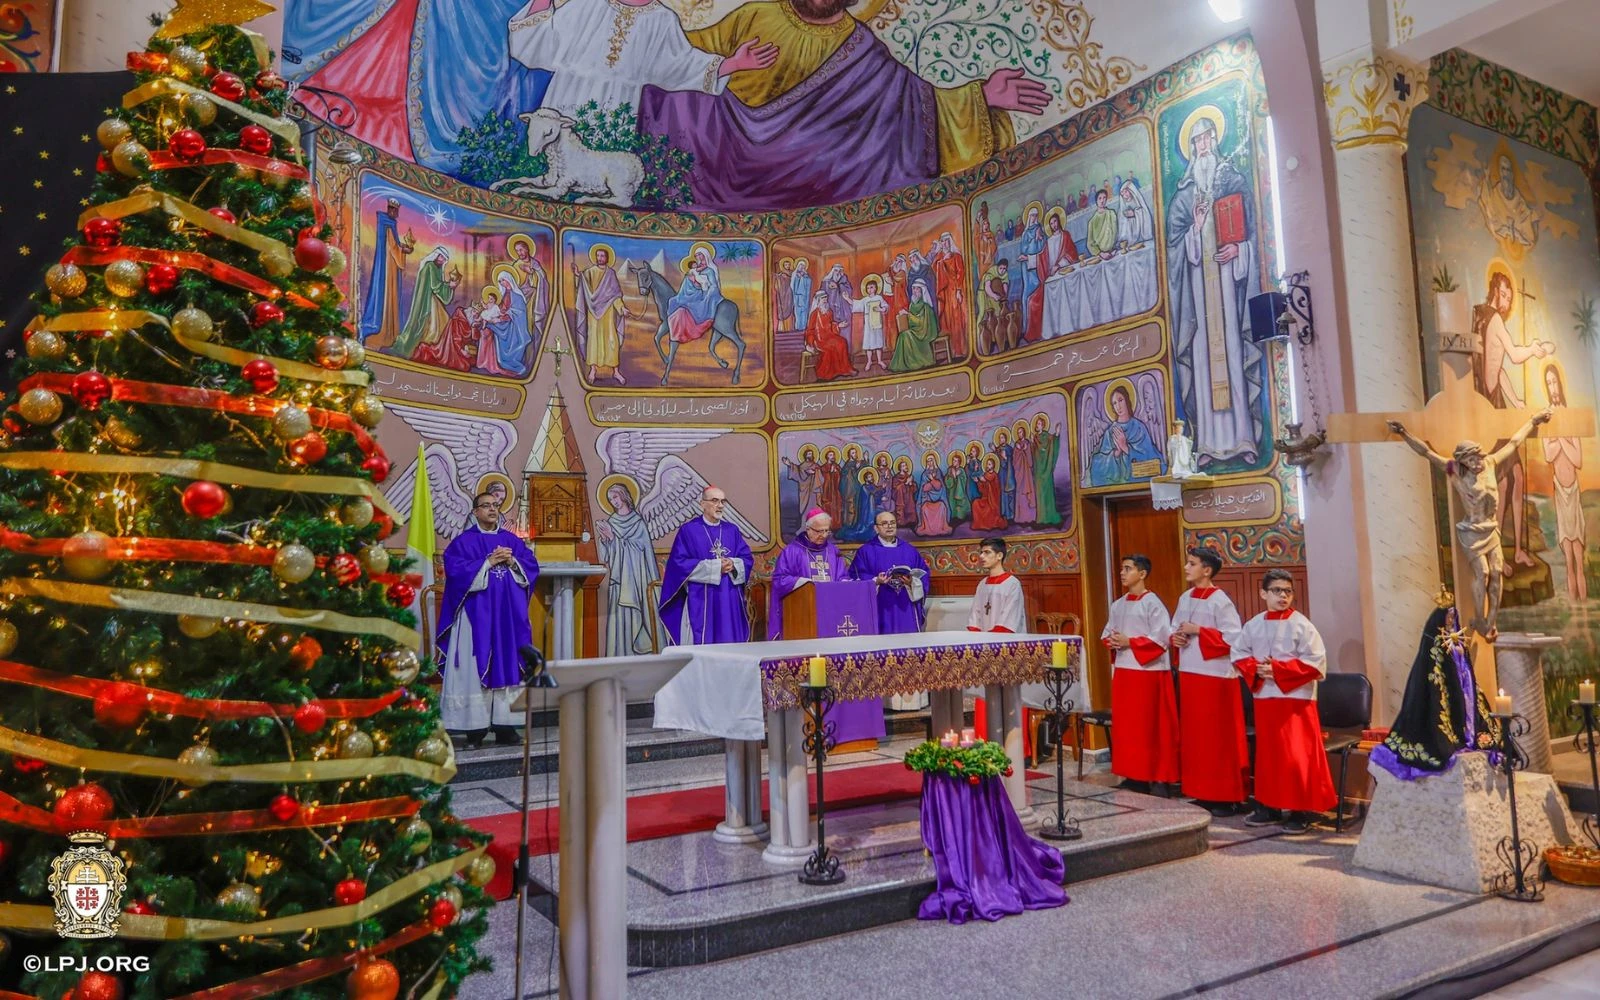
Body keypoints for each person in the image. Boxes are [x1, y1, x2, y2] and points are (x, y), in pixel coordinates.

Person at [637, 0, 1050, 211]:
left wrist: (981, 97)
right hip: (725, 163)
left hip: (821, 185)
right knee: (668, 105)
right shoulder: (754, 15)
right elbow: (683, 59)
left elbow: (917, 111)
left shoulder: (864, 51)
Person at [1388, 408, 1551, 638]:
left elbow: (1514, 443)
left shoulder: (1492, 463)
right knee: (1483, 573)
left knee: (1497, 571)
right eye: (1471, 460)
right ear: (1462, 461)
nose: (1476, 463)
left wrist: (1533, 422)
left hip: (1490, 529)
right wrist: (1405, 433)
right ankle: (1479, 617)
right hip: (1472, 531)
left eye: (1477, 457)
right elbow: (1426, 452)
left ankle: (1491, 622)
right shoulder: (1454, 470)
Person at [1166, 113, 1261, 468]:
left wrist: (1240, 251)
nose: (1202, 145)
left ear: (1215, 140)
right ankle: (1206, 443)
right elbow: (1176, 248)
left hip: (1225, 287)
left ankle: (1243, 438)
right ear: (1190, 148)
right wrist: (1197, 227)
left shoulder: (1232, 179)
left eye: (1207, 138)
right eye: (1196, 141)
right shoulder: (1184, 196)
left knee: (1233, 355)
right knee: (1205, 361)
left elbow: (1250, 234)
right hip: (1199, 294)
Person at [506, 0, 777, 123]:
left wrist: (734, 64)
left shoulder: (661, 19)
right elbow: (540, 45)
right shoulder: (587, 4)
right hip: (565, 99)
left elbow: (679, 66)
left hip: (616, 110)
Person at [1233, 570, 1337, 834]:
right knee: (1269, 757)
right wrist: (1257, 669)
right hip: (1266, 699)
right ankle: (1269, 806)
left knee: (1295, 757)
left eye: (1288, 591)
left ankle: (1299, 811)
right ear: (1263, 593)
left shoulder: (1303, 625)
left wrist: (1277, 670)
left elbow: (1315, 662)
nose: (1283, 596)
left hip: (1295, 701)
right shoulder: (1253, 625)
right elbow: (1238, 653)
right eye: (1277, 590)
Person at [771, 510, 885, 746]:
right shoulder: (792, 552)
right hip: (806, 623)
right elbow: (780, 580)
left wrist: (857, 585)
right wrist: (805, 584)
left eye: (827, 531)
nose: (824, 535)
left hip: (832, 622)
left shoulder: (832, 551)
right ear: (808, 528)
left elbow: (842, 578)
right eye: (819, 531)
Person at [437, 492, 541, 749]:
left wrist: (513, 561)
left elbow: (531, 568)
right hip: (475, 618)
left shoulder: (511, 541)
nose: (492, 510)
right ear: (475, 512)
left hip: (507, 619)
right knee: (474, 668)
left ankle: (506, 727)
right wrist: (486, 563)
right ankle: (474, 730)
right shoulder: (463, 543)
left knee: (508, 665)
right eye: (486, 506)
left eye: (495, 506)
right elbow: (455, 572)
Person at [1471, 272, 1554, 569]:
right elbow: (1514, 357)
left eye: (1509, 298)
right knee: (1503, 482)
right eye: (1505, 295)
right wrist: (1534, 348)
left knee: (1515, 478)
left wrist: (1516, 400)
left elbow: (1498, 368)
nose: (1507, 303)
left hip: (1494, 403)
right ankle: (1500, 553)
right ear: (1496, 290)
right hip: (1491, 408)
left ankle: (1517, 549)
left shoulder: (1479, 317)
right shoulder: (1492, 318)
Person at [1370, 604, 1502, 779]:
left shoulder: (1456, 637)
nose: (1450, 620)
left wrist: (1461, 655)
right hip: (1445, 690)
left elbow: (1464, 664)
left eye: (1452, 616)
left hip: (1462, 687)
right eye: (1448, 616)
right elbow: (1435, 665)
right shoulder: (1435, 639)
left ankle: (1468, 733)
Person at [1169, 548, 1246, 815]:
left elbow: (1234, 638)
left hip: (1216, 677)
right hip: (1191, 674)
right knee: (1196, 738)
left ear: (1207, 570)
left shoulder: (1220, 600)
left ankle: (1224, 796)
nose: (1186, 567)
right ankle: (1200, 791)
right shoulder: (1185, 597)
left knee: (1217, 738)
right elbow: (1175, 628)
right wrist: (1176, 638)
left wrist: (1199, 630)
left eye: (1192, 564)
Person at [1101, 553, 1176, 793]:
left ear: (1142, 574)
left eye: (1128, 568)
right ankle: (1135, 775)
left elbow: (1162, 639)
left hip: (1149, 673)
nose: (1122, 573)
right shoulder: (1118, 604)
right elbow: (1107, 633)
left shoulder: (1153, 603)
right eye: (1122, 568)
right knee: (1129, 728)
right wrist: (1112, 641)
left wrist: (1129, 642)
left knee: (1152, 727)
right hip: (1124, 671)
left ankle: (1159, 777)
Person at [659, 486, 753, 645]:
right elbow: (679, 564)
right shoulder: (689, 530)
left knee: (730, 640)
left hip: (728, 596)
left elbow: (747, 558)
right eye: (715, 500)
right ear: (702, 504)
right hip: (702, 597)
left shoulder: (732, 530)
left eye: (723, 501)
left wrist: (734, 563)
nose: (720, 505)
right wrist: (715, 567)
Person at [596, 481, 659, 657]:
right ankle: (620, 654)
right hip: (618, 580)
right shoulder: (612, 522)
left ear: (623, 495)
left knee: (635, 618)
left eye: (615, 497)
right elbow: (607, 557)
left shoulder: (638, 523)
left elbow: (642, 551)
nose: (613, 502)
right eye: (610, 499)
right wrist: (607, 540)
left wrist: (614, 538)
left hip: (636, 582)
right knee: (619, 621)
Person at [1542, 364, 1586, 601]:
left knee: (1579, 558)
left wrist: (1560, 438)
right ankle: (1574, 609)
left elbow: (1577, 459)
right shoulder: (1546, 419)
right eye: (1548, 383)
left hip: (1574, 491)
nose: (1552, 387)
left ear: (1560, 383)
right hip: (1560, 491)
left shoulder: (1571, 417)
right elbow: (1548, 455)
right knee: (1568, 558)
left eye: (1554, 381)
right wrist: (1558, 434)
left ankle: (1585, 617)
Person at [849, 509, 929, 635]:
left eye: (892, 523)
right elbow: (856, 575)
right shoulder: (866, 551)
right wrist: (876, 581)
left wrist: (911, 582)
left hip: (906, 606)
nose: (889, 526)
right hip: (880, 606)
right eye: (884, 523)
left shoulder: (909, 550)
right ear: (876, 528)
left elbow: (923, 574)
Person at [573, 246, 633, 385]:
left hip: (607, 314)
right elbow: (583, 284)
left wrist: (622, 308)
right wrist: (577, 274)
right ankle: (593, 369)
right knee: (593, 341)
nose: (600, 258)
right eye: (598, 255)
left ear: (607, 258)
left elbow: (615, 295)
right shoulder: (590, 272)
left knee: (612, 342)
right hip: (593, 315)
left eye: (602, 256)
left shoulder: (611, 274)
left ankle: (616, 371)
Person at [359, 198, 414, 347]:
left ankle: (390, 332)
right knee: (387, 296)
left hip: (390, 264)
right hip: (388, 266)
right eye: (394, 210)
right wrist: (405, 250)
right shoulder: (387, 223)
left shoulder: (387, 223)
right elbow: (393, 246)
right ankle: (384, 333)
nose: (395, 213)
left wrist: (402, 247)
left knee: (390, 297)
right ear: (391, 210)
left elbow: (393, 243)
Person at [1089, 383, 1164, 486]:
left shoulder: (1139, 428)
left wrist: (1126, 448)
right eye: (1114, 403)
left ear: (1127, 400)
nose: (1118, 406)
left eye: (1120, 400)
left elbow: (1153, 460)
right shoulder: (1110, 433)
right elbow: (1097, 467)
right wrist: (1116, 453)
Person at [392, 247, 456, 358]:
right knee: (436, 323)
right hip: (428, 300)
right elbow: (436, 286)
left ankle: (435, 347)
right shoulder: (430, 266)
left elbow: (438, 285)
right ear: (436, 255)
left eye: (445, 259)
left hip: (433, 299)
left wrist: (448, 286)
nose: (442, 260)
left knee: (441, 322)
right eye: (441, 257)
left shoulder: (437, 268)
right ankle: (428, 345)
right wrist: (448, 286)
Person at [966, 537, 1024, 633]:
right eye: (981, 552)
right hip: (983, 641)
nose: (981, 556)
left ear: (999, 556)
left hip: (1004, 641)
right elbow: (975, 615)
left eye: (987, 552)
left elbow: (1009, 618)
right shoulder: (982, 584)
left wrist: (993, 639)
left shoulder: (1012, 584)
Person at [804, 288, 857, 381]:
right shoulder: (814, 314)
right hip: (819, 339)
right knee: (830, 348)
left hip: (829, 336)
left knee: (842, 342)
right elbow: (810, 330)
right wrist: (810, 343)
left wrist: (839, 325)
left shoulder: (829, 312)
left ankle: (844, 370)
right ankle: (824, 374)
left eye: (825, 298)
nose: (825, 300)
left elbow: (831, 324)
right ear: (818, 301)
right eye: (823, 298)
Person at [890, 284, 940, 372]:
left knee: (906, 335)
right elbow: (911, 321)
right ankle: (904, 362)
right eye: (913, 289)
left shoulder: (926, 306)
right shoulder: (912, 305)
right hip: (914, 330)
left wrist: (908, 314)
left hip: (924, 331)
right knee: (903, 335)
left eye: (917, 289)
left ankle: (915, 362)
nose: (914, 291)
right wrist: (904, 317)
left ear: (922, 292)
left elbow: (921, 322)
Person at [851, 277, 890, 372]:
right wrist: (847, 298)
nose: (869, 290)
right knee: (868, 342)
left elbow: (886, 306)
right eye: (868, 288)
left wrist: (880, 309)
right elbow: (856, 305)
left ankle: (880, 360)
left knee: (878, 341)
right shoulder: (865, 300)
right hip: (868, 322)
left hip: (877, 322)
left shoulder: (879, 298)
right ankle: (869, 361)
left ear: (876, 288)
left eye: (871, 287)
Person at [1031, 414, 1062, 527]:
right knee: (1039, 494)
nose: (1038, 425)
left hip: (1046, 468)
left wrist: (1057, 433)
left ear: (1043, 425)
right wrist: (1031, 443)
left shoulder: (1047, 437)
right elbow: (1032, 453)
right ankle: (1041, 517)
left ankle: (1050, 515)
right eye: (1037, 424)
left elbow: (1054, 441)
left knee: (1047, 492)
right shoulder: (1034, 438)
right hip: (1038, 470)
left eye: (1039, 423)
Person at [915, 452, 952, 537]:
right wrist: (933, 483)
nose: (929, 462)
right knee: (924, 508)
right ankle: (927, 528)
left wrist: (932, 481)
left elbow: (939, 487)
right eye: (928, 460)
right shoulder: (924, 474)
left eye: (931, 460)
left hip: (939, 499)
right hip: (927, 500)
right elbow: (923, 489)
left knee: (942, 506)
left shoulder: (938, 472)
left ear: (934, 461)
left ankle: (940, 528)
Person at [1117, 177, 1154, 245]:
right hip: (1131, 233)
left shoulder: (1138, 200)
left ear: (1130, 190)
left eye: (1125, 192)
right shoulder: (1124, 204)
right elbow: (1122, 221)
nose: (1125, 195)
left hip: (1141, 232)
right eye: (1122, 194)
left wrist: (1135, 213)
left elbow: (1145, 214)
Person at [1087, 187, 1119, 257]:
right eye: (1100, 198)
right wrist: (1101, 254)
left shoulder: (1112, 214)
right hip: (1101, 256)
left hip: (1114, 251)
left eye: (1104, 198)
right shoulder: (1092, 222)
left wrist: (1115, 248)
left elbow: (1118, 233)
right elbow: (1090, 243)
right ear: (1096, 201)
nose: (1102, 200)